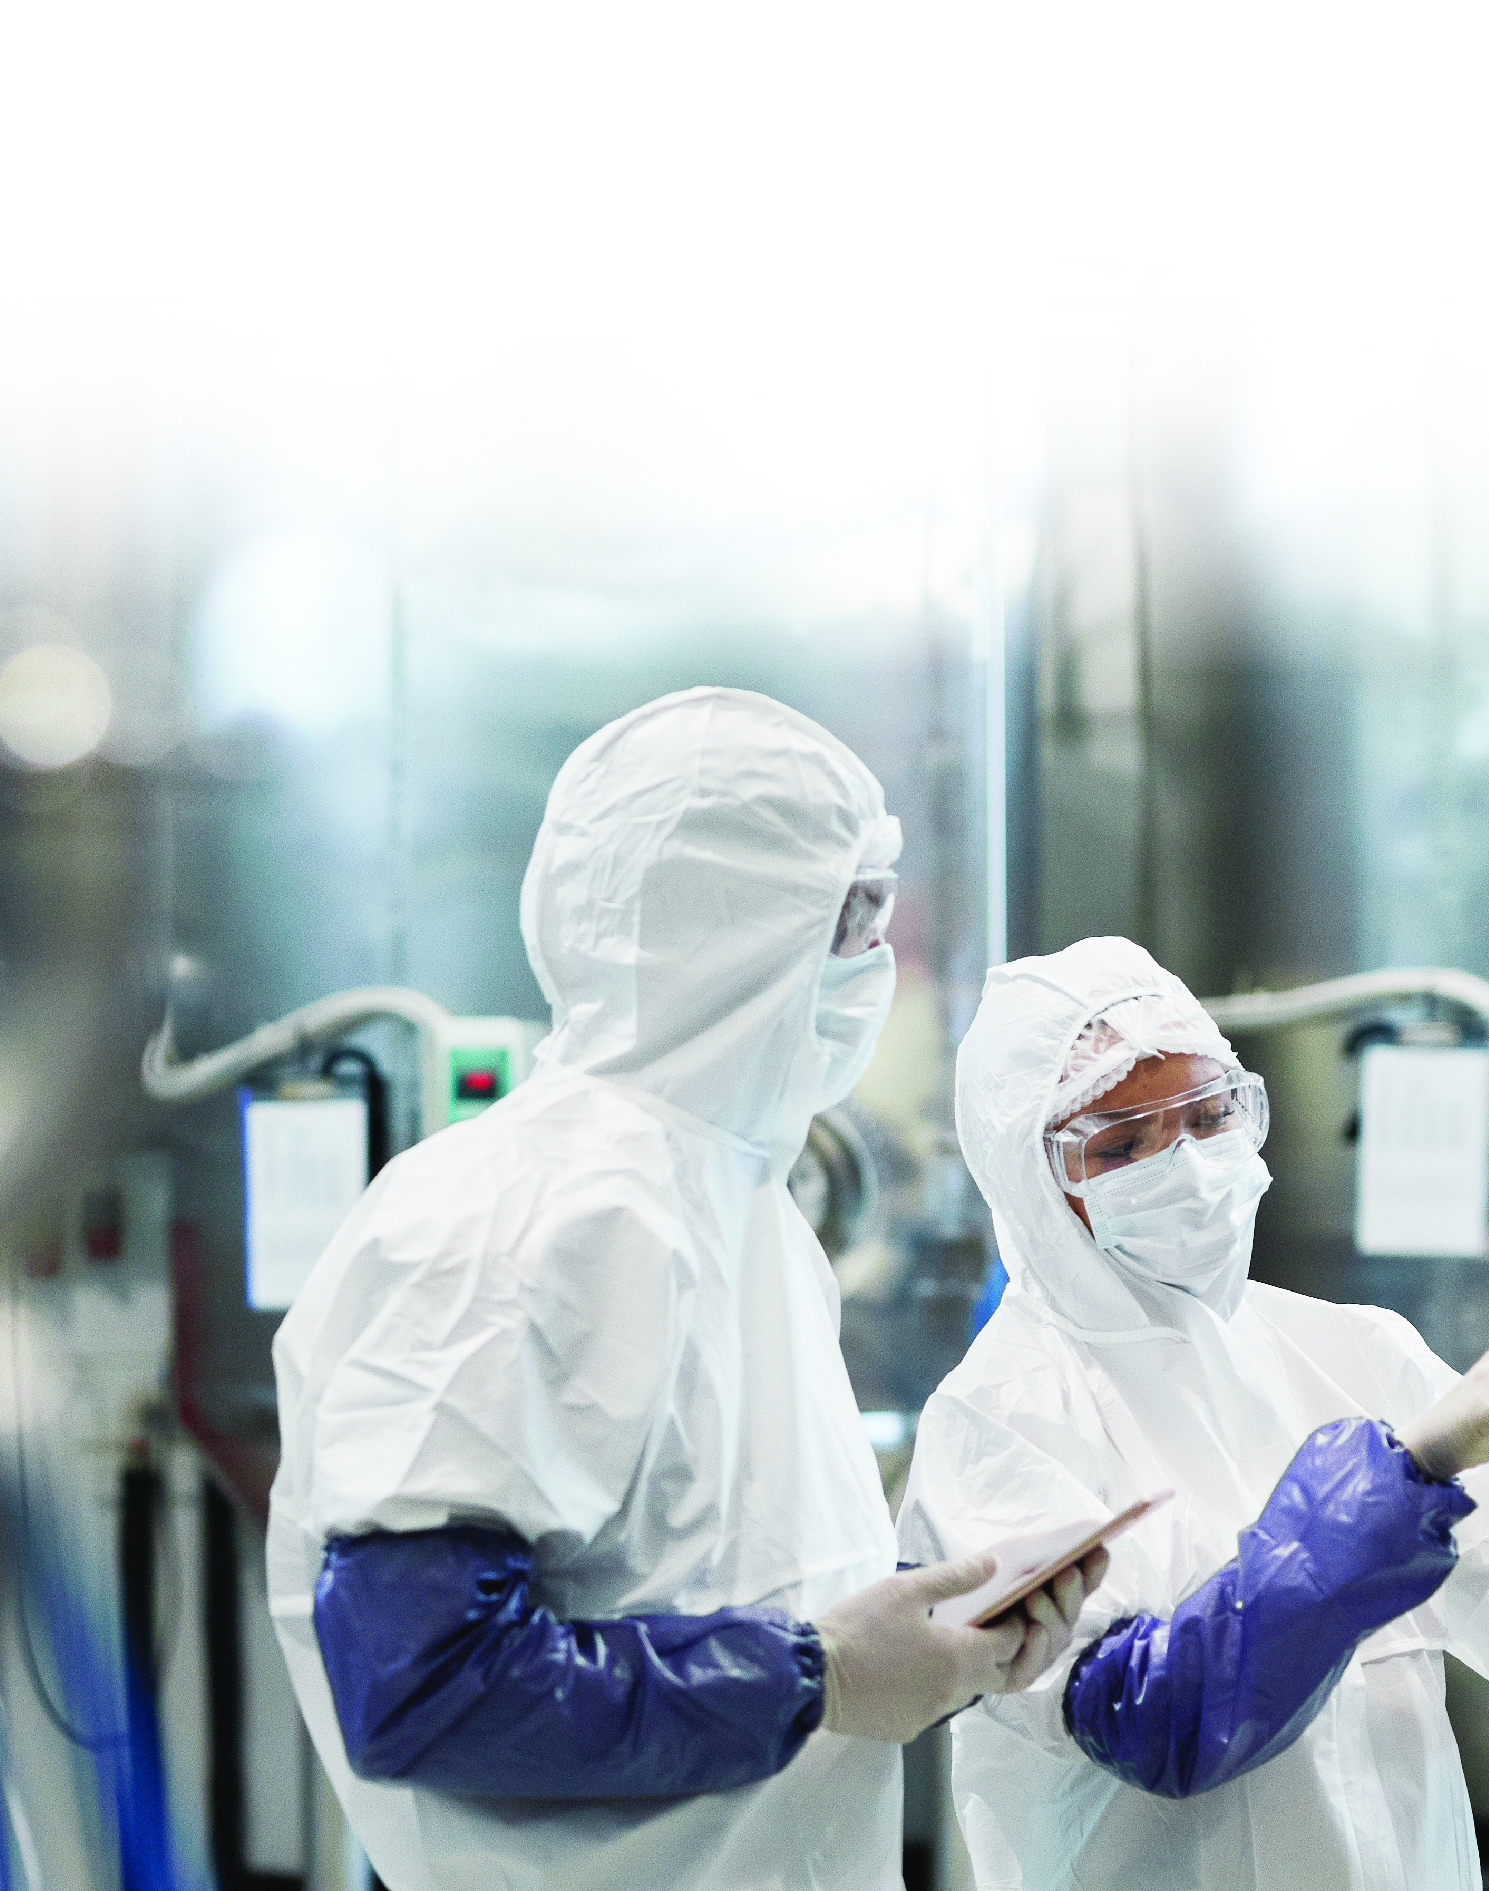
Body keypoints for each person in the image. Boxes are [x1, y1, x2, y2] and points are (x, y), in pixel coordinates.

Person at [266, 687, 1088, 1891]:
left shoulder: (745, 1205)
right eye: (851, 917)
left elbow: (715, 1584)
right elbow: (423, 1685)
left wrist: (928, 1639)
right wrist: (819, 1676)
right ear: (736, 928)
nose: (876, 962)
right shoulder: (524, 1220)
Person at [899, 937, 1489, 1891]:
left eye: (1208, 1115)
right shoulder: (999, 1420)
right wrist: (1416, 1468)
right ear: (1028, 1180)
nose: (1189, 1164)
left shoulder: (1348, 1348)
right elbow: (1159, 1721)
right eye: (1120, 1144)